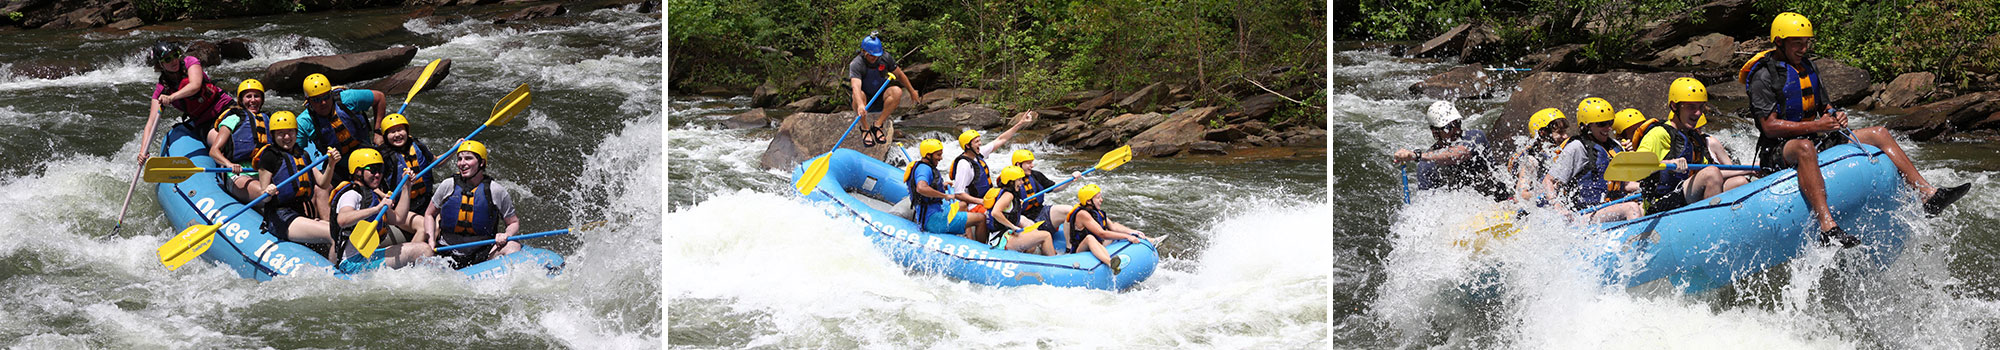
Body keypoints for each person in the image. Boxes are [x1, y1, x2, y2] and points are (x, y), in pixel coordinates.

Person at [1742, 12, 1970, 246]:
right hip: (1779, 149)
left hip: (1813, 138)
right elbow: (1769, 127)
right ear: (1779, 42)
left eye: (1807, 43)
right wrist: (1817, 125)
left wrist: (1835, 115)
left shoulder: (1807, 68)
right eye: (1797, 43)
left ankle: (1927, 194)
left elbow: (1825, 106)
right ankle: (1827, 228)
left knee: (1878, 133)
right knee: (1805, 147)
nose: (1804, 48)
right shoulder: (1763, 76)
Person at [331, 148, 434, 272]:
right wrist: (376, 209)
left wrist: (407, 186)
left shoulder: (371, 196)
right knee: (424, 250)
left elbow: (399, 218)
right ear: (358, 172)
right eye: (373, 170)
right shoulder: (352, 194)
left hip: (367, 257)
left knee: (422, 249)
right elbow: (343, 219)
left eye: (380, 170)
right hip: (352, 264)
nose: (378, 175)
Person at [424, 141, 522, 268]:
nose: (462, 163)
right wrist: (431, 240)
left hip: (482, 253)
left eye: (468, 158)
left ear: (481, 163)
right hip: (446, 251)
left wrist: (506, 235)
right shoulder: (448, 185)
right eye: (459, 159)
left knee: (513, 245)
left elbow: (513, 223)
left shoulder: (495, 190)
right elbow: (429, 214)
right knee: (419, 250)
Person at [1544, 98, 1640, 222]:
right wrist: (1558, 207)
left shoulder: (1614, 146)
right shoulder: (1577, 147)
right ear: (1586, 127)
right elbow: (1548, 181)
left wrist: (1646, 186)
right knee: (1631, 208)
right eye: (1601, 124)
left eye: (1610, 122)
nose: (1608, 128)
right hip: (1585, 214)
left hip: (1611, 207)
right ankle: (1636, 240)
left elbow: (1625, 184)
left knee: (1643, 207)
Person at [252, 112, 341, 245]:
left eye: (290, 132)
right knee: (331, 232)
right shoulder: (269, 156)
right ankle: (338, 266)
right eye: (281, 133)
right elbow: (264, 197)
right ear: (273, 135)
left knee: (340, 230)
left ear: (296, 133)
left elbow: (323, 183)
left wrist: (331, 164)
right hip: (280, 216)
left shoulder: (302, 154)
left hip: (301, 212)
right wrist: (267, 192)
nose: (287, 137)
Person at [138, 41, 235, 162]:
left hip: (223, 106)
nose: (173, 61)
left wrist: (171, 97)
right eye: (168, 59)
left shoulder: (190, 62)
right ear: (160, 64)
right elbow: (152, 122)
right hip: (205, 121)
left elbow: (195, 85)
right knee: (222, 143)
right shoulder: (162, 89)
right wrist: (143, 150)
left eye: (175, 55)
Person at [1392, 101, 1509, 201]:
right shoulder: (1425, 166)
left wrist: (1416, 156)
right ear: (1435, 132)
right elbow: (1428, 202)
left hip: (1497, 200)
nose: (1456, 130)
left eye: (1457, 123)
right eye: (1448, 127)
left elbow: (1458, 154)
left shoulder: (1475, 137)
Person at [1664, 78, 1754, 201]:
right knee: (1711, 173)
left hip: (1690, 190)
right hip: (1666, 198)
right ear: (1674, 106)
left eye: (1701, 108)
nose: (1697, 113)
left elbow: (1712, 172)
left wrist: (1749, 170)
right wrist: (1668, 163)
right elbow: (1640, 166)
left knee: (1740, 182)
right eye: (1691, 107)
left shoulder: (1694, 139)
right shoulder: (1660, 133)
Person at [950, 111, 1036, 215]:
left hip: (987, 199)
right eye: (976, 142)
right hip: (974, 205)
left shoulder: (979, 154)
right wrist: (981, 201)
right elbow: (959, 194)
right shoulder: (964, 165)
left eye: (979, 140)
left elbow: (1001, 139)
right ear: (968, 146)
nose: (980, 143)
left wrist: (1020, 123)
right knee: (1004, 214)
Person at [848, 34, 920, 147]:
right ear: (863, 51)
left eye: (876, 55)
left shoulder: (885, 58)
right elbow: (856, 87)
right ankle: (865, 128)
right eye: (871, 55)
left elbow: (900, 74)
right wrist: (861, 105)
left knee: (897, 91)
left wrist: (912, 91)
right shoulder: (856, 64)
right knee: (858, 95)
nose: (874, 58)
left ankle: (878, 125)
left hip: (880, 98)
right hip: (863, 100)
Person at [1066, 184, 1151, 274]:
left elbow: (1114, 226)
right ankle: (1110, 263)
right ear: (1088, 201)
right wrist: (1127, 237)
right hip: (1080, 250)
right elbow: (1102, 234)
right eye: (1098, 198)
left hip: (1098, 244)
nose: (1101, 200)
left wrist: (1133, 232)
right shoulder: (1082, 214)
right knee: (1089, 238)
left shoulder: (1095, 211)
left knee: (1114, 232)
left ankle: (1151, 241)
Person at [209, 79, 271, 202]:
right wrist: (229, 164)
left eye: (257, 96)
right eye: (248, 96)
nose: (253, 100)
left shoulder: (268, 120)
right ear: (241, 100)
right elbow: (214, 151)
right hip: (240, 174)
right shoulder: (233, 119)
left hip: (264, 172)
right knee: (265, 193)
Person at [298, 73, 385, 159]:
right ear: (308, 101)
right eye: (317, 99)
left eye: (326, 96)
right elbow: (296, 152)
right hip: (337, 165)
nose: (323, 102)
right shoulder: (304, 122)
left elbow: (379, 98)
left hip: (366, 153)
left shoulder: (348, 99)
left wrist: (378, 132)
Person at [978, 166, 1061, 255]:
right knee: (1046, 235)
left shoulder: (1005, 194)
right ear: (1011, 182)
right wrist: (1013, 227)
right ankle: (1054, 262)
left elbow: (1007, 210)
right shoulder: (1008, 195)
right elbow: (995, 213)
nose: (1022, 182)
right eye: (1019, 180)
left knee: (1032, 246)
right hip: (1002, 238)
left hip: (1000, 235)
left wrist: (1016, 205)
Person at [905, 139, 971, 234]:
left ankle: (966, 239)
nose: (941, 158)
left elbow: (927, 187)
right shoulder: (924, 169)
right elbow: (921, 188)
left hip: (934, 211)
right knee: (981, 219)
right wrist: (944, 196)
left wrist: (942, 186)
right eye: (938, 155)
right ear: (928, 155)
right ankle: (977, 245)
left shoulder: (925, 166)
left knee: (963, 205)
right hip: (933, 220)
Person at [1505, 107, 1570, 204]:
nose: (1565, 136)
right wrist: (1548, 192)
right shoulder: (1531, 160)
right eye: (1560, 132)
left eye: (1565, 131)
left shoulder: (1557, 154)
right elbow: (1521, 194)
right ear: (1543, 133)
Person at [1007, 149, 1082, 233]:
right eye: (1028, 163)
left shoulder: (1036, 175)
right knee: (1024, 221)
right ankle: (1037, 238)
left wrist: (1071, 179)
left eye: (1032, 162)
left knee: (1070, 210)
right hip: (1022, 218)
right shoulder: (1008, 181)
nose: (1032, 165)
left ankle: (1070, 245)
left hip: (1040, 212)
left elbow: (1056, 188)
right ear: (1018, 164)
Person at [378, 113, 439, 214]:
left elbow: (436, 162)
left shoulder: (417, 145)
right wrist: (384, 196)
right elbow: (370, 184)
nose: (397, 134)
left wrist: (455, 148)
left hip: (425, 200)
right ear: (386, 136)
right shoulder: (383, 155)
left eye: (400, 130)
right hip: (400, 207)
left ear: (407, 131)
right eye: (392, 132)